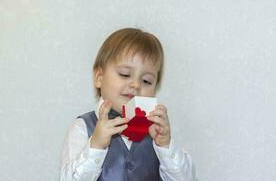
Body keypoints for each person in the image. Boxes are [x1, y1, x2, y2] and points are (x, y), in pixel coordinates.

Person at [60, 28, 197, 181]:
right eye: (125, 74)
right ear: (99, 77)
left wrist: (165, 146)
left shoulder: (156, 134)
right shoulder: (82, 128)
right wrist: (96, 145)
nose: (136, 84)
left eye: (146, 81)